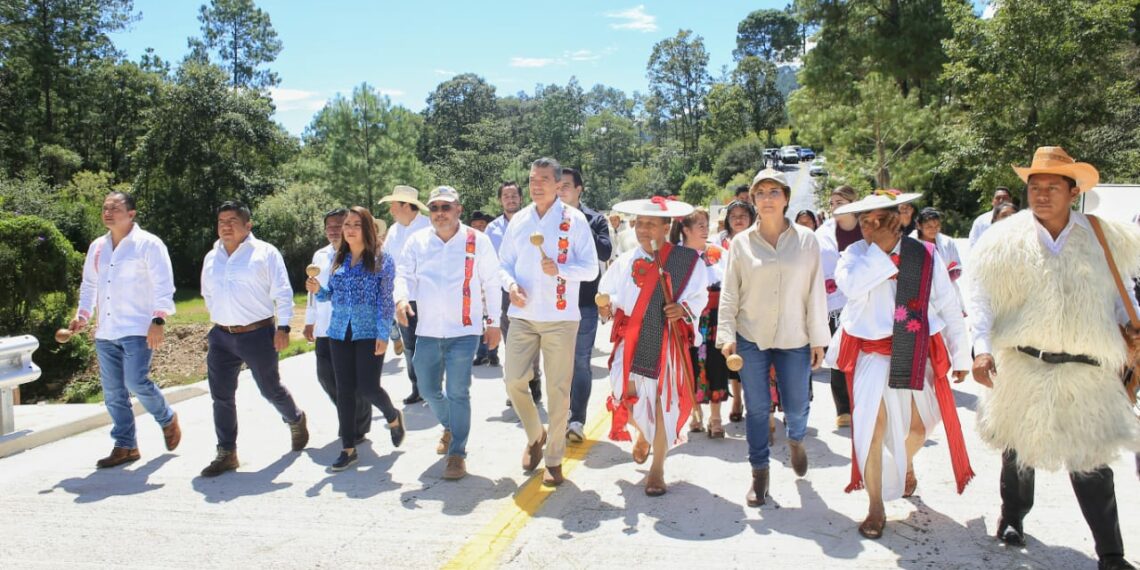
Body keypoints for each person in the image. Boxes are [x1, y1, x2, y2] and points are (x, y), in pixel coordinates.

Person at [970, 147, 1140, 570]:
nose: (1042, 194)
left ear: (1073, 191)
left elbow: (1121, 297)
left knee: (1092, 461)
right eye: (1035, 187)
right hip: (1025, 362)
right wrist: (981, 348)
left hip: (1087, 370)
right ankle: (1013, 517)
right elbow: (982, 299)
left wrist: (1132, 328)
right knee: (1017, 449)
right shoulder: (1004, 240)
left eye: (1052, 187)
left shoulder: (1103, 237)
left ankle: (1111, 554)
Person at [825, 190, 974, 539]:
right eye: (865, 221)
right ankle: (875, 504)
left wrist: (960, 354)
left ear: (899, 219)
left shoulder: (925, 254)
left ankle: (904, 463)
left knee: (920, 429)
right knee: (872, 429)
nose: (872, 227)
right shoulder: (854, 255)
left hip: (915, 350)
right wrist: (880, 250)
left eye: (881, 219)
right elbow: (851, 288)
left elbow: (947, 305)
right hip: (871, 355)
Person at [718, 168, 830, 507]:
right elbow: (729, 293)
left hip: (795, 336)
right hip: (751, 336)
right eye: (761, 193)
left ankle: (796, 439)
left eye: (774, 192)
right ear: (753, 199)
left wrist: (818, 338)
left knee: (797, 406)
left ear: (786, 198)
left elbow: (815, 291)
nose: (767, 198)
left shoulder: (807, 240)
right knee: (757, 408)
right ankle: (759, 474)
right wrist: (726, 335)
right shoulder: (741, 243)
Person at [498, 157, 599, 487]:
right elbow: (504, 264)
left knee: (558, 391)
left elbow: (591, 269)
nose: (536, 185)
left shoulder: (575, 220)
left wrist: (561, 270)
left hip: (560, 318)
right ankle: (534, 434)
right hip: (523, 315)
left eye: (543, 179)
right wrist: (510, 285)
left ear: (558, 185)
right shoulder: (520, 220)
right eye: (532, 179)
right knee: (514, 380)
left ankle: (554, 458)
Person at [599, 198, 708, 496]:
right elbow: (609, 295)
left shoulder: (687, 261)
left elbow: (698, 297)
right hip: (632, 339)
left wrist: (682, 309)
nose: (643, 229)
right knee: (625, 395)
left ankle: (657, 467)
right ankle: (644, 434)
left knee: (662, 403)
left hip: (665, 341)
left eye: (651, 224)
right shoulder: (625, 261)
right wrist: (606, 307)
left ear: (666, 226)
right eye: (639, 223)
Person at [395, 186, 502, 480]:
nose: (440, 213)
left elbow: (492, 282)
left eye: (446, 207)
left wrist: (494, 323)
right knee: (428, 389)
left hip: (464, 331)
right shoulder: (417, 241)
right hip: (428, 330)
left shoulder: (477, 241)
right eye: (434, 208)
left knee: (458, 391)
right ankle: (451, 426)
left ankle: (457, 453)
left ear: (458, 209)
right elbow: (403, 274)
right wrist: (401, 299)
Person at [70, 191, 181, 468]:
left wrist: (159, 320)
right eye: (105, 208)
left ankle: (167, 418)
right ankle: (126, 445)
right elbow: (90, 285)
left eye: (115, 208)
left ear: (131, 214)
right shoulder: (97, 247)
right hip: (106, 331)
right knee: (112, 393)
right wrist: (82, 315)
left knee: (135, 381)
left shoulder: (148, 244)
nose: (108, 212)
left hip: (138, 328)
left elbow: (164, 284)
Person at [199, 201, 308, 477]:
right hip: (221, 336)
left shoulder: (265, 253)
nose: (225, 226)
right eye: (221, 221)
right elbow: (207, 293)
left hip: (258, 334)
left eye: (232, 221)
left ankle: (295, 418)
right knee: (221, 396)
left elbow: (283, 292)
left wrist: (284, 327)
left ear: (248, 225)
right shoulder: (212, 256)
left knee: (270, 389)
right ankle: (226, 452)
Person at [307, 206, 406, 472]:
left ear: (368, 229)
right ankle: (348, 448)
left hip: (369, 331)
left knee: (368, 387)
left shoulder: (382, 259)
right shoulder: (339, 258)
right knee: (344, 390)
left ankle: (392, 415)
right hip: (339, 331)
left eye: (356, 225)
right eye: (346, 225)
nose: (349, 230)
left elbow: (385, 300)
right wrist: (319, 290)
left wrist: (383, 333)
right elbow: (332, 295)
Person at [303, 208, 371, 444]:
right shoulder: (320, 255)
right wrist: (309, 320)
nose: (333, 231)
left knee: (352, 380)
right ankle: (351, 416)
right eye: (329, 227)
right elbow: (313, 291)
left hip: (350, 327)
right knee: (325, 376)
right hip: (325, 327)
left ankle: (356, 425)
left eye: (338, 226)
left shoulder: (359, 255)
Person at [560, 167, 614, 443]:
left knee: (581, 361)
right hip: (554, 302)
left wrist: (580, 222)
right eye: (558, 186)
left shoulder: (595, 219)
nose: (561, 191)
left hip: (584, 302)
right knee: (558, 364)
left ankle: (576, 419)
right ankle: (560, 416)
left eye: (566, 186)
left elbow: (605, 251)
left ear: (579, 189)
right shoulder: (547, 219)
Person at [670, 208, 729, 437]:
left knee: (717, 364)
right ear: (686, 230)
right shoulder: (674, 255)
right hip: (686, 318)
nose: (706, 230)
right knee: (690, 364)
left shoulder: (718, 253)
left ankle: (716, 418)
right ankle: (694, 413)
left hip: (715, 317)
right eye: (700, 226)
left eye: (706, 225)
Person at [487, 181, 542, 400]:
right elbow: (489, 263)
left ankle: (534, 379)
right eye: (506, 196)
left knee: (532, 339)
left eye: (514, 195)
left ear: (521, 198)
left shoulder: (533, 222)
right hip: (504, 292)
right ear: (500, 200)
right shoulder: (492, 229)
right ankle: (516, 386)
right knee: (511, 342)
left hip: (530, 289)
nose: (510, 199)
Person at [379, 185, 431, 405]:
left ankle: (432, 387)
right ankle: (417, 387)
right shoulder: (394, 231)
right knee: (410, 345)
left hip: (427, 297)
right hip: (403, 298)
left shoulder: (428, 227)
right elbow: (386, 261)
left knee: (430, 343)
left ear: (407, 206)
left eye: (393, 205)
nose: (391, 210)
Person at [816, 185, 862, 428]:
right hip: (835, 303)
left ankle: (863, 403)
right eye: (832, 203)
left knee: (864, 354)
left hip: (865, 298)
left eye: (840, 202)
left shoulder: (867, 228)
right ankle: (843, 408)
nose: (835, 207)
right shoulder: (823, 234)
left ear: (853, 204)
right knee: (838, 351)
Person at [716, 198, 756, 423]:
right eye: (733, 216)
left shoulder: (758, 240)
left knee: (754, 356)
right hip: (729, 303)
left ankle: (755, 401)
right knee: (732, 352)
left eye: (743, 216)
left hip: (753, 303)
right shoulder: (719, 243)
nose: (738, 220)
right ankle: (737, 399)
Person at [911, 207, 965, 312]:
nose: (934, 229)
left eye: (937, 226)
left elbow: (957, 266)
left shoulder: (947, 242)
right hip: (920, 292)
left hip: (947, 291)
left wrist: (944, 280)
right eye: (929, 226)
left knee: (950, 319)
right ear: (919, 225)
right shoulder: (911, 243)